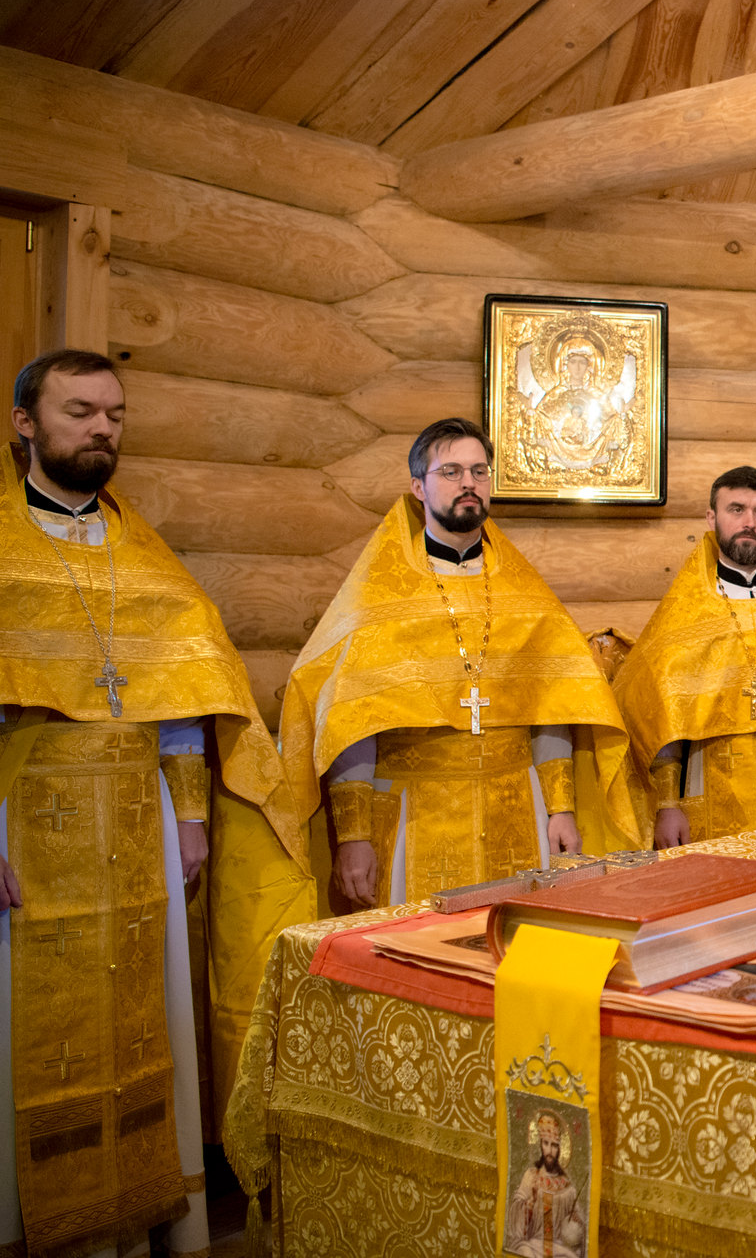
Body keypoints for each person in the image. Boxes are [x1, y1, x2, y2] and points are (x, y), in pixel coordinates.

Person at [1, 350, 305, 1258]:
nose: (102, 428)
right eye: (80, 411)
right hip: (22, 827)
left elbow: (182, 703)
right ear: (24, 423)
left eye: (116, 414)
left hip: (140, 833)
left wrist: (193, 817)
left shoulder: (146, 557)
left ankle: (136, 1224)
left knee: (145, 1024)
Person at [278, 418, 643, 911]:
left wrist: (560, 808)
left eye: (479, 471)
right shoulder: (378, 597)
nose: (468, 482)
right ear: (418, 487)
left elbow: (550, 705)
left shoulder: (526, 594)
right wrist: (354, 835)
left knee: (516, 942)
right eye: (450, 471)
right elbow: (351, 722)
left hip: (520, 806)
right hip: (414, 812)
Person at [611, 465, 756, 844]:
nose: (749, 522)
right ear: (711, 518)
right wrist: (667, 804)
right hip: (708, 789)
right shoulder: (684, 613)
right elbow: (662, 717)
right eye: (736, 509)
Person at [507, 1109, 587, 1258]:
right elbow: (516, 1215)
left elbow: (578, 1219)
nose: (549, 1150)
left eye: (554, 1145)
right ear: (540, 1145)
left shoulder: (567, 1187)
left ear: (560, 1149)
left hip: (559, 1248)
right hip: (533, 1245)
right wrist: (528, 1206)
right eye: (546, 1143)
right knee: (523, 1252)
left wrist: (576, 1219)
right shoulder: (531, 1176)